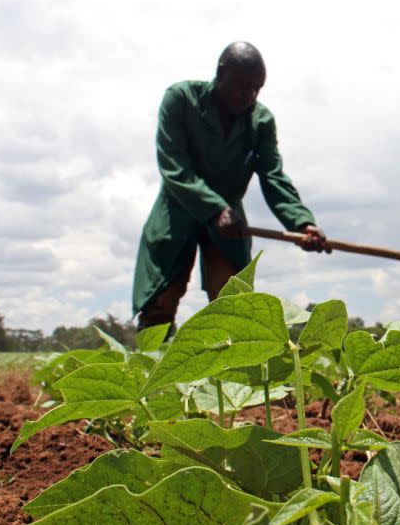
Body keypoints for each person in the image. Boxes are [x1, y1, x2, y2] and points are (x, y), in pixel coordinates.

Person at [132, 42, 329, 334]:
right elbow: (174, 167)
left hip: (230, 222)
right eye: (242, 86)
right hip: (178, 208)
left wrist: (302, 222)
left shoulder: (260, 121)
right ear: (221, 73)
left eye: (256, 88)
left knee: (233, 306)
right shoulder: (181, 100)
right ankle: (155, 372)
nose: (248, 96)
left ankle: (232, 377)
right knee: (159, 303)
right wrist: (215, 209)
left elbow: (273, 177)